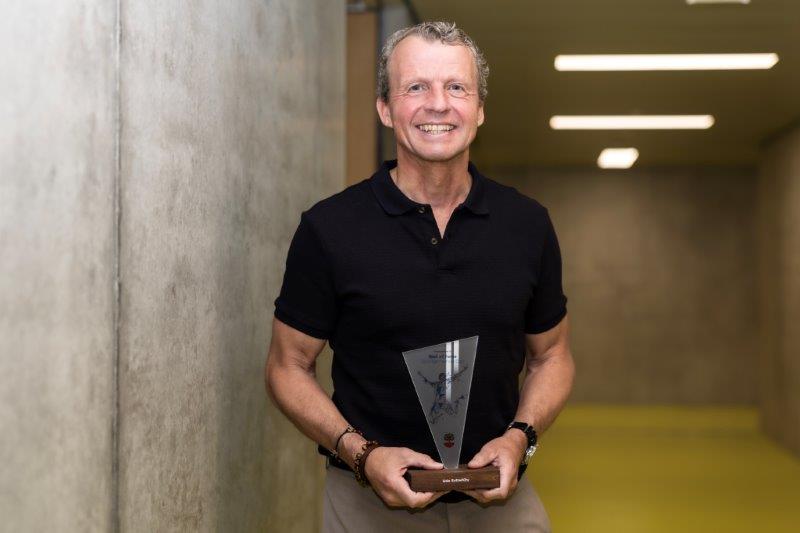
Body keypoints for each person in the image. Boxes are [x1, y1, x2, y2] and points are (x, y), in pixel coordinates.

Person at [265, 21, 574, 532]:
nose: (438, 104)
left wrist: (520, 437)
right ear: (385, 108)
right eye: (416, 87)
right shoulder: (330, 228)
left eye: (456, 87)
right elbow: (287, 365)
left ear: (479, 109)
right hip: (368, 505)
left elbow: (553, 356)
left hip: (501, 504)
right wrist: (361, 454)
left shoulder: (527, 225)